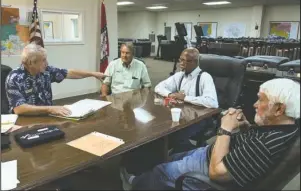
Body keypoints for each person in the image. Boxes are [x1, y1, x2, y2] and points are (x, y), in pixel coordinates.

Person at [120, 78, 300, 190]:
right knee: (171, 156)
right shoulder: (284, 128)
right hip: (212, 153)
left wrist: (225, 129)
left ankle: (134, 185)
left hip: (210, 167)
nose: (254, 104)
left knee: (161, 170)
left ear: (278, 109)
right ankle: (148, 180)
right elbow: (250, 147)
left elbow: (217, 173)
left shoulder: (266, 145)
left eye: (261, 100)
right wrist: (245, 127)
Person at [5, 43, 107, 116]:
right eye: (43, 60)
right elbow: (19, 108)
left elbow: (69, 73)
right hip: (24, 121)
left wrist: (92, 74)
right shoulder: (14, 78)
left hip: (48, 115)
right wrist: (50, 109)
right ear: (31, 63)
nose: (47, 63)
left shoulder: (46, 71)